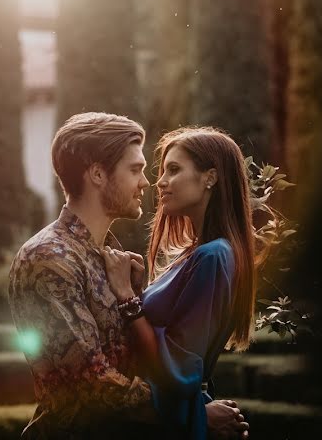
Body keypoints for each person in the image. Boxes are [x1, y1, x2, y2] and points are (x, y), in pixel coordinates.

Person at [8, 113, 249, 439]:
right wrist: (195, 416)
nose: (148, 182)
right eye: (135, 170)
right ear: (97, 174)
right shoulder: (49, 258)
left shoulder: (112, 259)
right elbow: (91, 384)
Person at [101, 126, 260, 440]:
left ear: (210, 178)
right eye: (162, 171)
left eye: (173, 170)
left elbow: (176, 369)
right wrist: (138, 290)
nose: (160, 182)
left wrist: (126, 298)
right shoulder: (197, 253)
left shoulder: (213, 256)